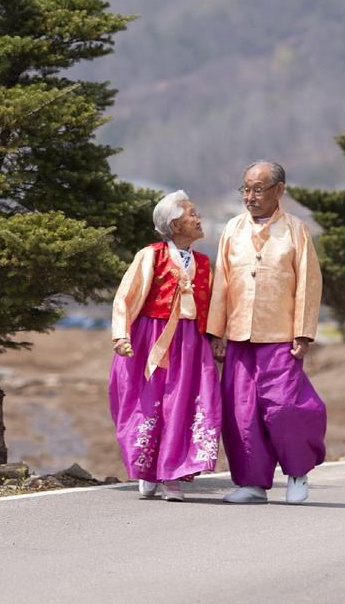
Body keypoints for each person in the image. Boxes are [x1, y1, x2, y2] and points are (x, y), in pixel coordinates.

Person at [208, 161, 326, 504]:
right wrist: (217, 332)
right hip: (239, 335)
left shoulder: (296, 230)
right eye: (245, 189)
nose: (250, 196)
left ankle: (297, 473)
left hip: (281, 335)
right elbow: (222, 283)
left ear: (279, 190)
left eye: (258, 189)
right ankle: (252, 483)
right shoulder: (232, 229)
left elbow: (308, 282)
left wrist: (303, 332)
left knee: (286, 407)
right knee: (241, 411)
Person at [109, 190, 222, 502]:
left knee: (185, 404)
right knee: (149, 402)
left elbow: (211, 305)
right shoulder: (151, 255)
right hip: (152, 339)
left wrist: (216, 339)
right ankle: (148, 469)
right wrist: (122, 335)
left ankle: (172, 474)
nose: (198, 219)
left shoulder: (202, 262)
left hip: (190, 343)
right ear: (174, 225)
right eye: (192, 214)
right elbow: (127, 296)